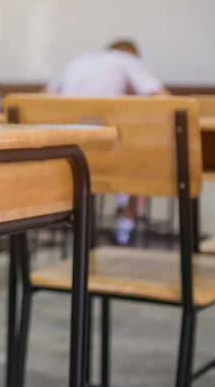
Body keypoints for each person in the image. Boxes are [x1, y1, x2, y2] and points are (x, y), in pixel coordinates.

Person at [47, 39, 170, 245]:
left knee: (110, 151)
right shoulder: (127, 61)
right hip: (106, 156)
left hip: (66, 159)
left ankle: (90, 225)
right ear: (133, 56)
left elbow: (43, 97)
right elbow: (166, 101)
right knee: (146, 160)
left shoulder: (79, 61)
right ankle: (126, 225)